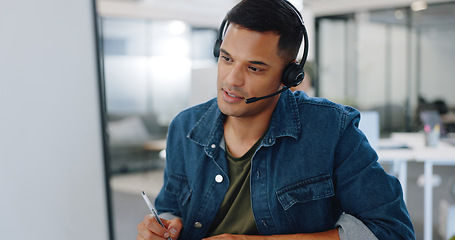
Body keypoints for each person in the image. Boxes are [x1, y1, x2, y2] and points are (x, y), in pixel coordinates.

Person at [137, 0, 415, 239]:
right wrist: (163, 225)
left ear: (289, 76)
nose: (231, 80)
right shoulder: (184, 128)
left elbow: (391, 230)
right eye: (226, 58)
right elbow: (170, 206)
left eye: (254, 68)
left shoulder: (332, 130)